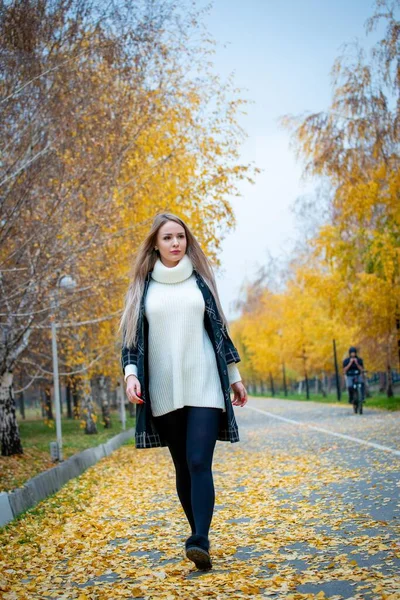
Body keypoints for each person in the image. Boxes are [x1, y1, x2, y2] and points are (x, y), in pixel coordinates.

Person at [118, 212, 248, 571]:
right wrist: (131, 375)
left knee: (198, 461)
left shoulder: (200, 282)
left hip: (205, 382)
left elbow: (219, 331)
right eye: (168, 238)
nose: (176, 243)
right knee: (181, 466)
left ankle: (200, 538)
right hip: (163, 388)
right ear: (156, 244)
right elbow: (130, 339)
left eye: (180, 236)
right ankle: (198, 541)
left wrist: (234, 376)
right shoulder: (143, 287)